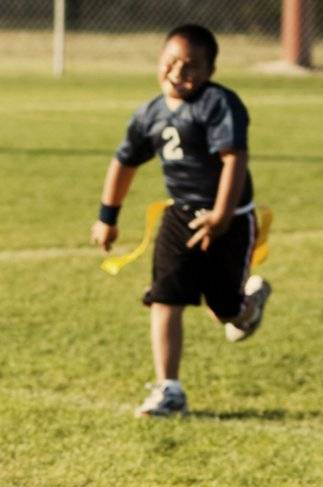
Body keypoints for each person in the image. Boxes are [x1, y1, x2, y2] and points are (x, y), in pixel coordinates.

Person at [92, 23, 272, 418]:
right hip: (180, 215)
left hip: (230, 220)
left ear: (209, 72)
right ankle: (168, 390)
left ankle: (248, 306)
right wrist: (108, 217)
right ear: (159, 60)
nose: (178, 73)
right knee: (165, 297)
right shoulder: (149, 114)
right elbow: (124, 162)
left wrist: (222, 213)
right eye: (171, 62)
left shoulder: (220, 104)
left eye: (191, 67)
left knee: (223, 309)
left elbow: (233, 160)